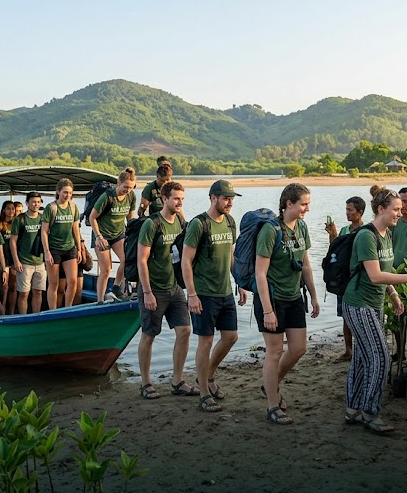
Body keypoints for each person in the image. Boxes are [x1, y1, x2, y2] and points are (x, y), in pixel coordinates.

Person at [343, 187, 407, 434]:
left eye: (400, 209)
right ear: (380, 209)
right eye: (394, 209)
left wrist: (392, 294)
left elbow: (385, 271)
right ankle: (370, 413)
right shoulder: (366, 236)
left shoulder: (387, 234)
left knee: (362, 357)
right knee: (380, 358)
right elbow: (374, 275)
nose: (399, 213)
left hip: (374, 304)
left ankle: (352, 409)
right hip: (359, 304)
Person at [255, 183, 321, 425]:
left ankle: (270, 385)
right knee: (274, 352)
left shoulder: (302, 227)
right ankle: (273, 405)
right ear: (288, 204)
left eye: (308, 204)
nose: (307, 209)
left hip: (294, 298)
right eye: (303, 204)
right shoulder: (270, 231)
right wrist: (268, 310)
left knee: (298, 348)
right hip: (272, 298)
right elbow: (259, 273)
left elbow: (305, 264)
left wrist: (313, 295)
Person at [182, 179, 247, 412]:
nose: (229, 202)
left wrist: (239, 281)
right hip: (203, 293)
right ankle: (204, 393)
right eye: (225, 198)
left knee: (231, 337)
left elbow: (231, 255)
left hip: (225, 291)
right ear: (213, 198)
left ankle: (206, 377)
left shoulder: (230, 222)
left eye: (231, 198)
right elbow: (186, 261)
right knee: (205, 341)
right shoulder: (198, 224)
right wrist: (191, 294)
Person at [135, 182, 197, 400]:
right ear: (164, 199)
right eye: (176, 199)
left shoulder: (180, 221)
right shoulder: (151, 225)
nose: (180, 203)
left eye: (182, 199)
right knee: (149, 335)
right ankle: (145, 383)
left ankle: (177, 381)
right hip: (154, 288)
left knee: (185, 330)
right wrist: (147, 292)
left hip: (175, 288)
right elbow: (141, 260)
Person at [324, 196, 366, 361]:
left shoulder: (366, 230)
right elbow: (335, 251)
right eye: (346, 209)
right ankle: (348, 350)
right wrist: (332, 235)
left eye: (351, 210)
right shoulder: (344, 231)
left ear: (360, 212)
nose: (347, 213)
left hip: (358, 280)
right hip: (344, 280)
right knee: (345, 316)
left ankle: (361, 349)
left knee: (359, 316)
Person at [90, 167, 138, 304]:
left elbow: (130, 218)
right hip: (101, 234)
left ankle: (116, 288)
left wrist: (132, 235)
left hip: (118, 233)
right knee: (106, 269)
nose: (127, 190)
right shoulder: (107, 197)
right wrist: (99, 237)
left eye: (131, 187)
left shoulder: (131, 196)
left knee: (127, 260)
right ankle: (99, 300)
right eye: (125, 187)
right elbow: (93, 217)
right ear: (119, 183)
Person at [41, 178, 84, 309]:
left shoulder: (73, 207)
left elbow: (75, 229)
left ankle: (67, 308)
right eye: (65, 192)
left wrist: (79, 249)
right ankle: (52, 311)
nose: (67, 195)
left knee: (73, 281)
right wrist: (47, 252)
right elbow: (44, 231)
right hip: (54, 249)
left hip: (69, 247)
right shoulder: (51, 208)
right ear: (58, 192)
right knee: (54, 284)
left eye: (70, 193)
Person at [11, 192, 46, 315]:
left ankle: (36, 316)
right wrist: (16, 260)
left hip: (40, 261)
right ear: (27, 203)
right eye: (33, 202)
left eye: (38, 202)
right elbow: (13, 241)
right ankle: (23, 317)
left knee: (38, 292)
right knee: (24, 293)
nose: (36, 204)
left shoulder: (43, 218)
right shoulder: (20, 219)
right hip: (24, 262)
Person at [0, 201, 18, 314]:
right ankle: (3, 308)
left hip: (14, 258)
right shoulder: (0, 225)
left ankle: (12, 310)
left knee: (13, 286)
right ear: (4, 210)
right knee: (4, 286)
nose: (11, 211)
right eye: (8, 209)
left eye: (13, 209)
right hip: (3, 258)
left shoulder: (17, 223)